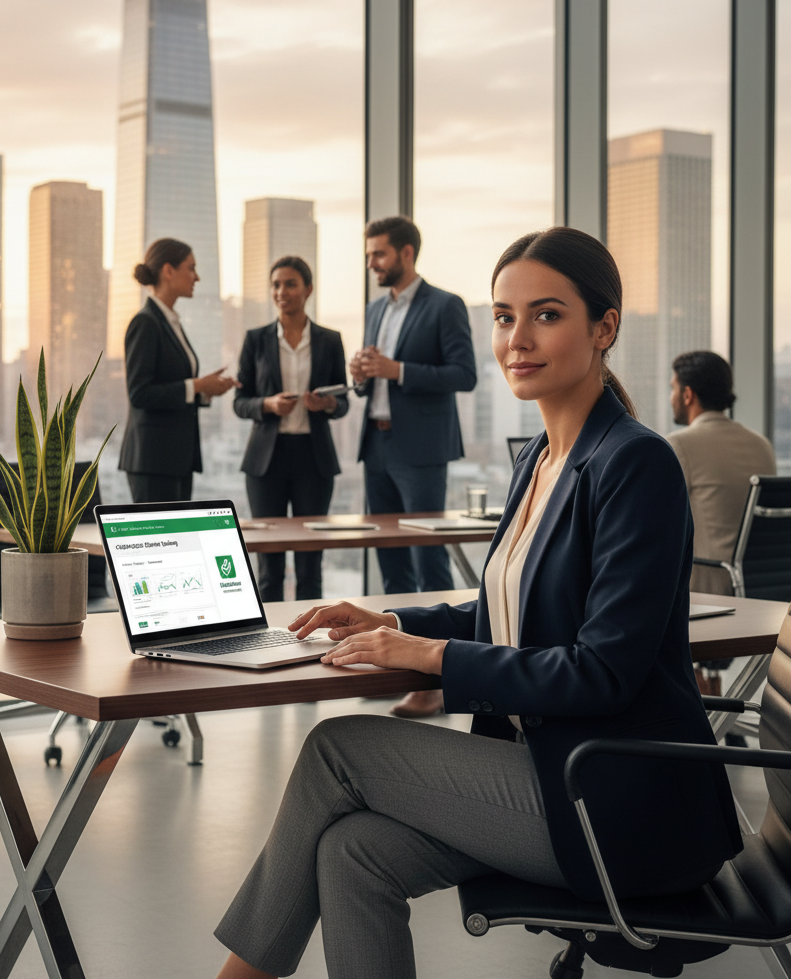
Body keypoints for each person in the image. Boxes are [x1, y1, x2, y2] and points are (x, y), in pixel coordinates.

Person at [211, 227, 741, 979]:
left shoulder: (634, 462)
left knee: (337, 748)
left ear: (605, 327)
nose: (516, 339)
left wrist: (429, 658)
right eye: (502, 317)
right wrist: (391, 622)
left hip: (617, 798)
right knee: (351, 851)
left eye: (546, 315)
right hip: (543, 772)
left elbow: (603, 673)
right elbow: (512, 617)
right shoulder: (539, 461)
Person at [351, 216, 476, 719]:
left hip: (421, 451)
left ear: (405, 253)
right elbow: (371, 381)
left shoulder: (445, 305)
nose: (371, 264)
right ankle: (393, 668)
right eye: (368, 256)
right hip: (376, 446)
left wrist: (396, 369)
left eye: (378, 254)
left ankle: (434, 679)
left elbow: (463, 373)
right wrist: (361, 373)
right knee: (391, 562)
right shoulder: (375, 308)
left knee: (428, 563)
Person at [234, 256, 349, 602]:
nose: (281, 292)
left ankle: (310, 639)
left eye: (290, 284)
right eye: (276, 285)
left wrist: (326, 404)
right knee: (268, 563)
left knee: (310, 561)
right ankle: (268, 640)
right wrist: (267, 404)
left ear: (308, 290)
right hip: (266, 461)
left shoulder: (330, 340)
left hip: (314, 459)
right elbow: (240, 402)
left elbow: (342, 401)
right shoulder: (256, 339)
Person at [118, 238, 237, 502]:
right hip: (152, 461)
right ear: (168, 271)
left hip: (175, 460)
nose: (197, 277)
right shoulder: (146, 323)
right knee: (160, 541)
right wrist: (196, 386)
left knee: (177, 542)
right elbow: (140, 393)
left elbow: (174, 386)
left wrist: (206, 391)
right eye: (191, 268)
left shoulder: (170, 322)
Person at [667, 350, 776, 596]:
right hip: (759, 592)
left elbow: (655, 523)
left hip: (707, 590)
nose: (670, 396)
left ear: (687, 394)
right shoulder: (762, 445)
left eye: (672, 388)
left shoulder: (679, 445)